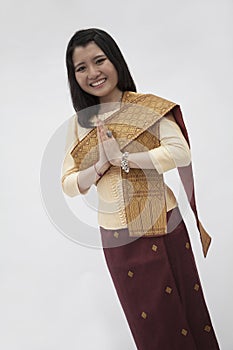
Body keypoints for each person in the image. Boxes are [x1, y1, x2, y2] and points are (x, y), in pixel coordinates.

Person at [61, 28, 220, 349]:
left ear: (115, 60)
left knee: (185, 315)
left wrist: (125, 159)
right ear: (73, 76)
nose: (92, 73)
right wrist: (100, 166)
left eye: (99, 60)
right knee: (149, 328)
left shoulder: (146, 108)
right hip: (117, 239)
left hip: (162, 225)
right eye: (81, 68)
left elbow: (180, 152)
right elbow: (68, 184)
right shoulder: (79, 125)